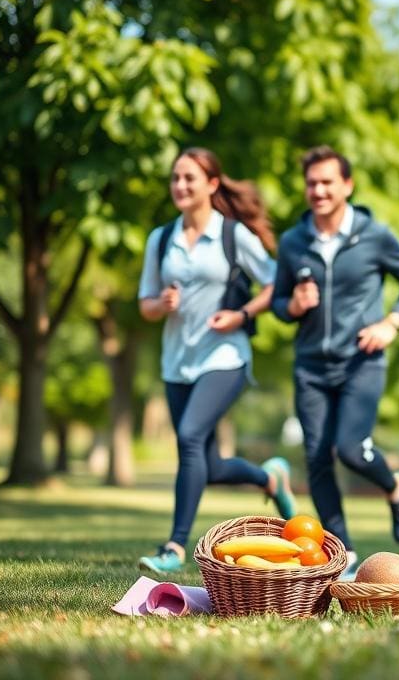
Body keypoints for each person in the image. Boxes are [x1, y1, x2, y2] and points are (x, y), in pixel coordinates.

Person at [136, 147, 296, 574]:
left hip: (226, 357)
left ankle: (174, 546)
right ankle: (269, 479)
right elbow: (145, 305)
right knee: (206, 465)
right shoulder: (161, 238)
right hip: (177, 362)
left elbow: (274, 283)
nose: (180, 186)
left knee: (188, 438)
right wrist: (162, 304)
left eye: (189, 178)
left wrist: (242, 315)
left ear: (211, 184)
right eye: (175, 178)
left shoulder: (232, 234)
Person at [271, 145, 399, 575]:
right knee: (318, 457)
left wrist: (392, 322)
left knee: (351, 449)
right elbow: (278, 304)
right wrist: (294, 306)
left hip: (362, 359)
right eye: (311, 183)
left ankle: (396, 488)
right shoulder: (293, 242)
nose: (318, 190)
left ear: (347, 185)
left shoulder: (373, 234)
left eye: (327, 182)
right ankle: (344, 555)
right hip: (311, 366)